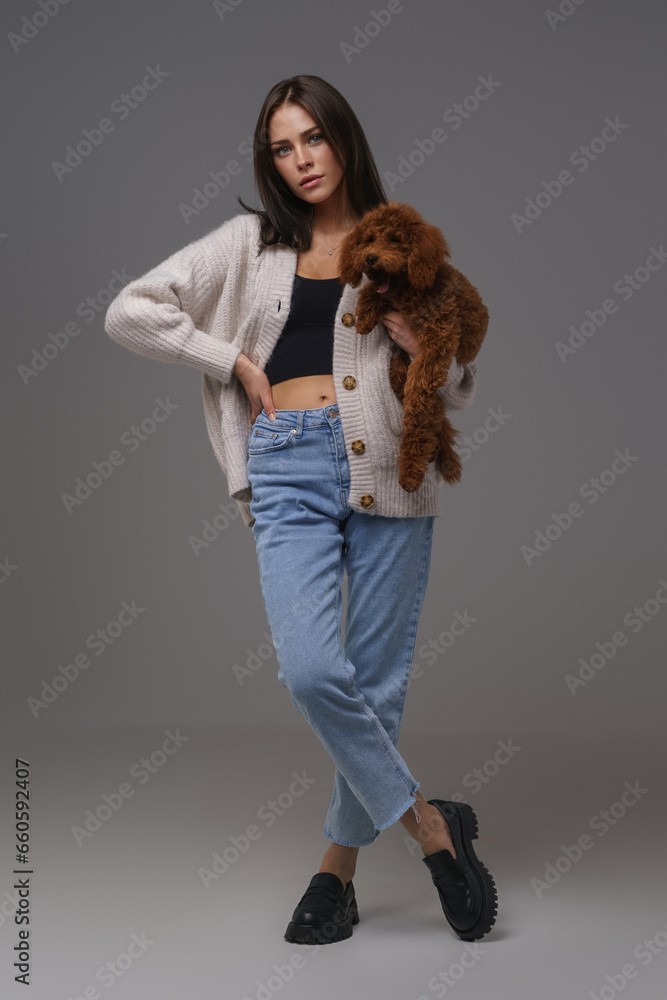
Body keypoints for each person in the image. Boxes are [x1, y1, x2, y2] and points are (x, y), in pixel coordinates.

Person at [104, 74, 497, 945]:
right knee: (313, 671)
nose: (299, 160)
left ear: (343, 138)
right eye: (281, 148)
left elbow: (459, 381)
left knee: (375, 683)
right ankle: (431, 826)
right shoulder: (249, 243)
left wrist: (415, 347)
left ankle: (337, 871)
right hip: (285, 462)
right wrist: (232, 363)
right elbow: (129, 311)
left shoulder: (401, 243)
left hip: (392, 465)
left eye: (311, 138)